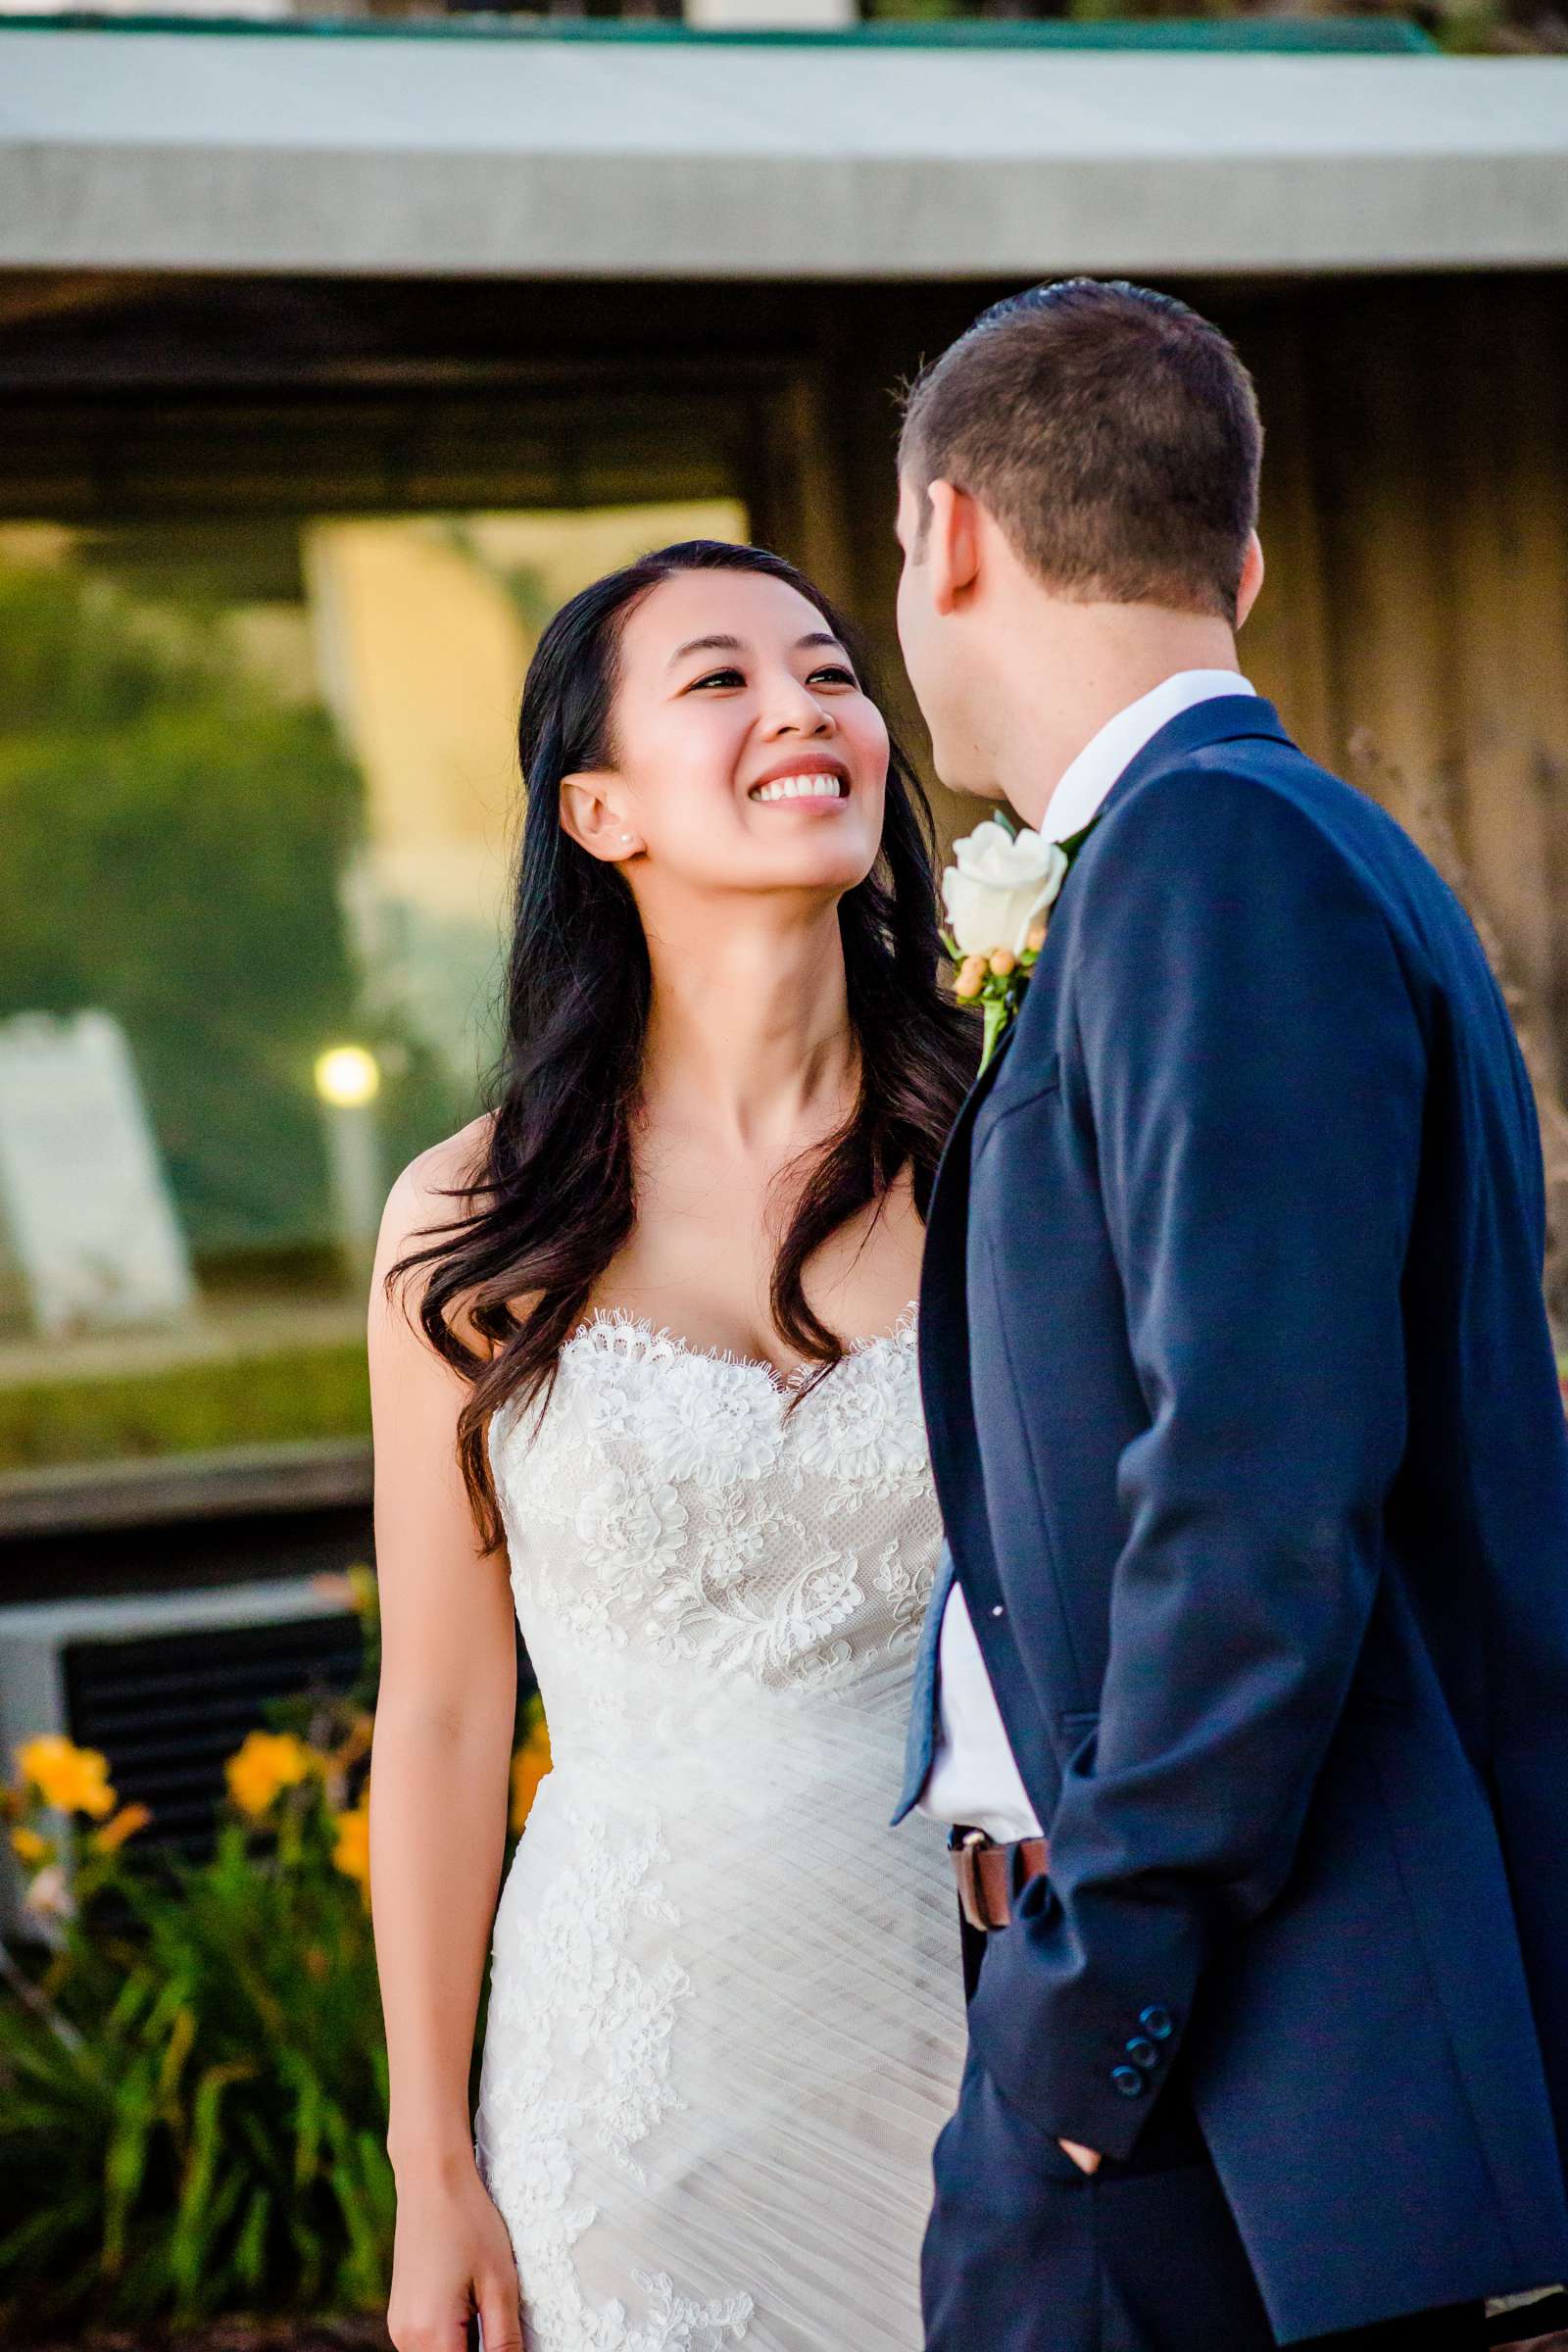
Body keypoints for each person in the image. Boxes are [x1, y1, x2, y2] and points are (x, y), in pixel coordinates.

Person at [892, 278, 1568, 2350]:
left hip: (1234, 2053)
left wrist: (1093, 2008)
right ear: (1243, 561)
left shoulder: (1208, 865)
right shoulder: (1266, 847)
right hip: (1218, 2042)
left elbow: (1255, 1480)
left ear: (950, 539)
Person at [367, 540, 972, 2352]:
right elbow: (451, 1719)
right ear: (599, 807)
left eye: (834, 673)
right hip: (631, 2075)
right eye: (721, 679)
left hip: (993, 2041)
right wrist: (431, 2161)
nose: (805, 707)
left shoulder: (1012, 1155)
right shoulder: (470, 1218)